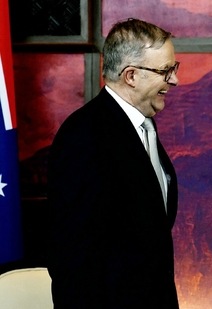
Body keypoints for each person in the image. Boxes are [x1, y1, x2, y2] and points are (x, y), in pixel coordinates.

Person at [47, 18, 180, 309]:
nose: (174, 79)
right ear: (131, 75)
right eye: (165, 71)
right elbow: (73, 259)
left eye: (174, 68)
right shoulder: (84, 136)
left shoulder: (142, 125)